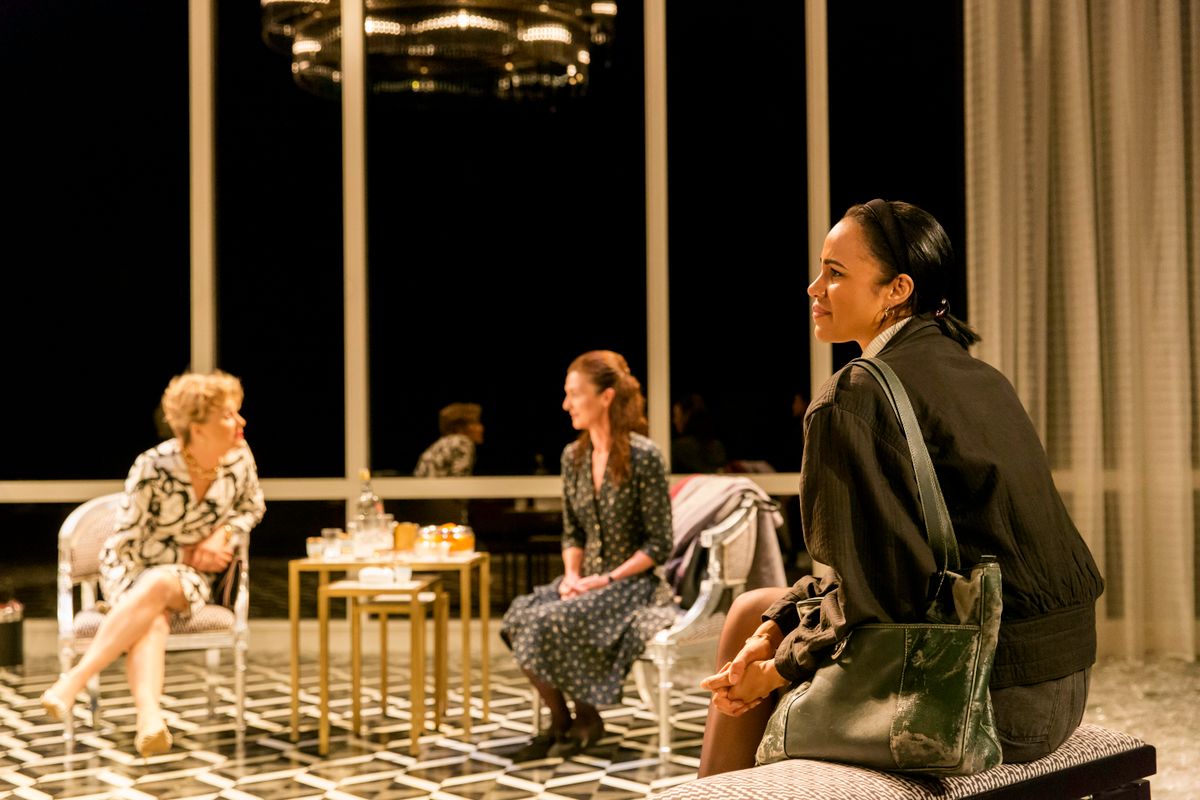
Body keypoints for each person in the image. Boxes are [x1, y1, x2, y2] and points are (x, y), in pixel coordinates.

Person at [697, 199, 1104, 776]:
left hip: (988, 699)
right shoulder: (980, 377)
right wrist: (775, 629)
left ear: (897, 289)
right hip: (1064, 679)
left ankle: (722, 789)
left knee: (757, 653)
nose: (814, 288)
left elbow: (877, 595)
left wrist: (775, 670)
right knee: (753, 612)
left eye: (835, 273)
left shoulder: (851, 398)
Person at [41, 371, 265, 757]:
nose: (240, 422)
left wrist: (223, 534)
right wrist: (186, 553)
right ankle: (149, 719)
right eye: (228, 415)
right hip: (130, 569)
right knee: (154, 615)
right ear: (197, 426)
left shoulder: (239, 459)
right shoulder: (153, 466)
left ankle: (73, 681)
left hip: (191, 578)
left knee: (162, 585)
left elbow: (252, 507)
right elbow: (126, 542)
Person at [501, 351, 674, 759]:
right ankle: (564, 720)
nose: (567, 404)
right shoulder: (573, 458)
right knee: (517, 617)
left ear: (606, 397)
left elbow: (659, 544)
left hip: (631, 585)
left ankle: (585, 718)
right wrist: (571, 576)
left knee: (550, 621)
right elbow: (572, 531)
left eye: (575, 394)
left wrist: (606, 579)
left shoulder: (644, 456)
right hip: (587, 581)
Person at [413, 402, 484, 477]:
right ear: (460, 428)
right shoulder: (463, 443)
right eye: (476, 423)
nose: (481, 428)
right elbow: (460, 479)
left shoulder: (443, 442)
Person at [671, 393, 727, 473]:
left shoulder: (679, 448)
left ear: (686, 416)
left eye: (676, 416)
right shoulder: (718, 447)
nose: (674, 421)